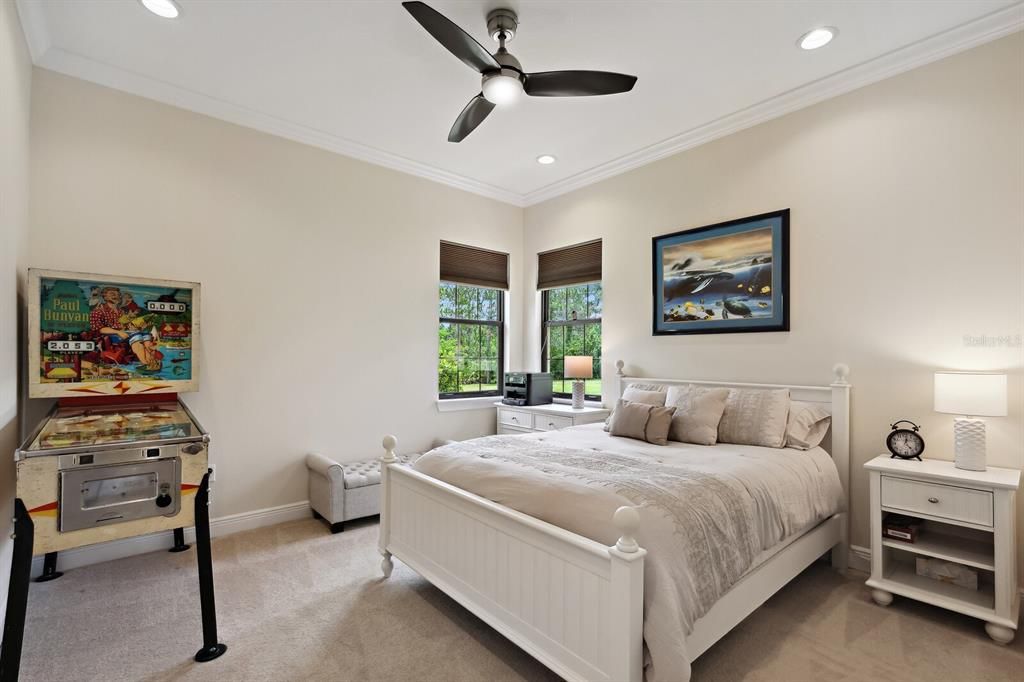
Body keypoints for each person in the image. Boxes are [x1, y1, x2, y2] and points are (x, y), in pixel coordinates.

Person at [89, 286, 160, 369]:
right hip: (110, 336)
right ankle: (145, 364)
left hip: (124, 333)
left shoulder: (121, 311)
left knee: (146, 335)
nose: (116, 296)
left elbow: (126, 325)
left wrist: (134, 328)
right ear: (105, 297)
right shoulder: (98, 311)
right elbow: (99, 329)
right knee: (137, 337)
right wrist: (118, 332)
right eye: (112, 294)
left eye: (118, 294)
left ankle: (151, 362)